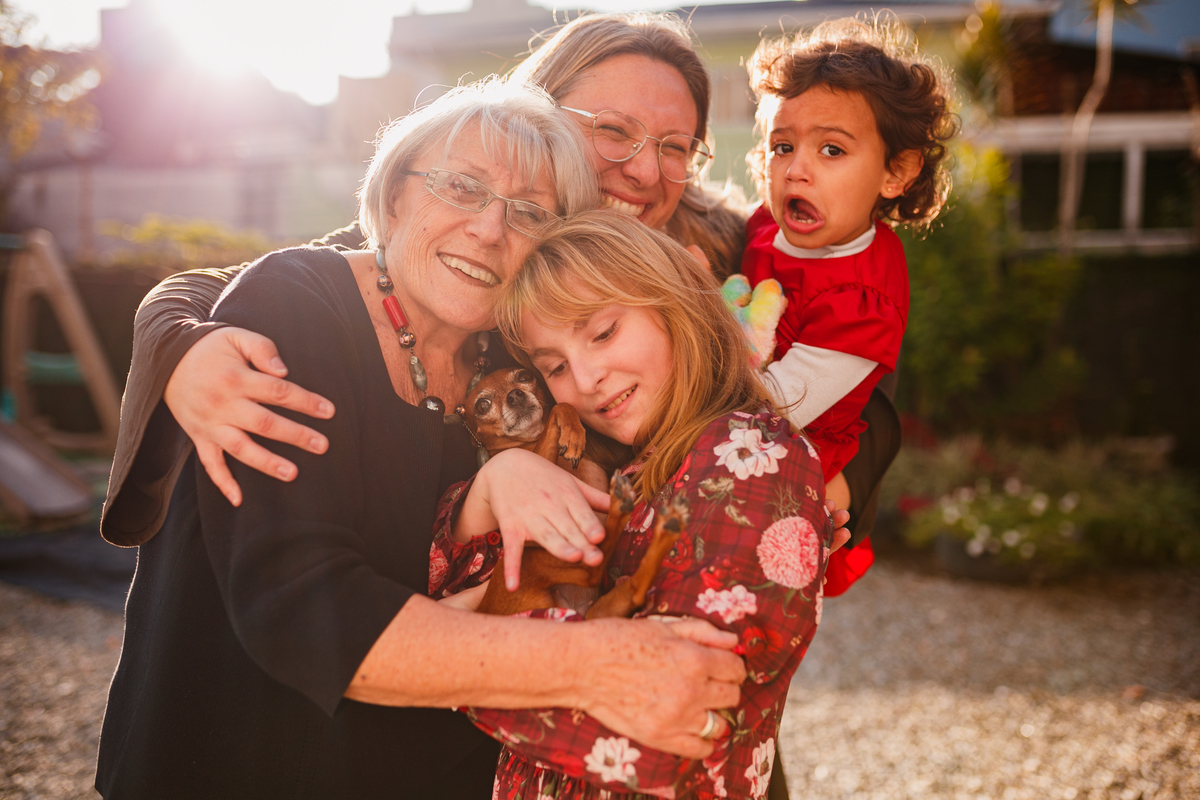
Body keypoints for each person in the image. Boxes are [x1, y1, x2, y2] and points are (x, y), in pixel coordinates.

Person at [95, 79, 749, 799]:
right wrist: (598, 664)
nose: (490, 229)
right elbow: (304, 608)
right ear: (398, 194)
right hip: (237, 761)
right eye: (463, 188)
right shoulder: (295, 306)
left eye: (529, 213)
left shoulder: (519, 357)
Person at [430, 211, 832, 799]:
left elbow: (677, 716)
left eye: (602, 333)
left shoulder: (755, 454)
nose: (587, 378)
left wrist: (429, 648)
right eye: (555, 367)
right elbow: (468, 576)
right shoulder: (635, 466)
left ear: (674, 303)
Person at [740, 18, 958, 596]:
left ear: (896, 172)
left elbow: (780, 403)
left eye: (831, 149)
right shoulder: (767, 224)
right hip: (737, 410)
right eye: (781, 146)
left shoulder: (864, 297)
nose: (797, 168)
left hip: (793, 453)